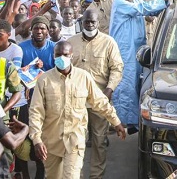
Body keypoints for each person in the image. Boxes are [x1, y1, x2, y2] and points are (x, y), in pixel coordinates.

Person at [29, 41, 126, 179]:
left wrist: (116, 122)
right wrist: (36, 139)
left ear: (72, 56)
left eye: (65, 55)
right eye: (58, 55)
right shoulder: (44, 80)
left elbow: (99, 101)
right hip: (50, 142)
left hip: (75, 140)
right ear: (53, 56)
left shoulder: (83, 77)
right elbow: (36, 112)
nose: (61, 58)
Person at [110, 0, 176, 131]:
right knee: (125, 86)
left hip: (138, 51)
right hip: (124, 51)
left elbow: (148, 5)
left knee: (137, 85)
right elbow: (144, 7)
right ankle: (124, 122)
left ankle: (134, 120)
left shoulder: (135, 0)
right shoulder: (120, 3)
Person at [69, 9, 124, 179]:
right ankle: (75, 174)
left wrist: (109, 89)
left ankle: (96, 176)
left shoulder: (109, 42)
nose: (90, 25)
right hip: (76, 100)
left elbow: (117, 68)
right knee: (76, 142)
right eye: (87, 22)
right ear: (82, 22)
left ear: (98, 23)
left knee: (99, 141)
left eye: (93, 22)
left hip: (100, 99)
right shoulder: (71, 42)